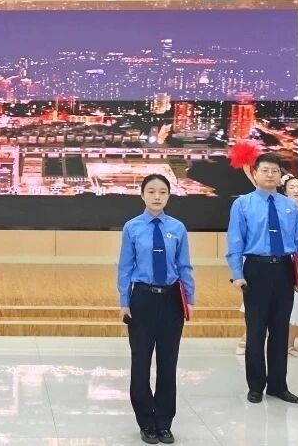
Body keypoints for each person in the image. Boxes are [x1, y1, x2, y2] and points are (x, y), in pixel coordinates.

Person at [118, 174, 194, 445]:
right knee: (140, 363)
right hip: (142, 299)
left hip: (171, 300)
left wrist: (190, 299)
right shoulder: (132, 227)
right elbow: (125, 267)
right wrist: (124, 301)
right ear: (142, 195)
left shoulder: (178, 228)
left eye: (162, 191)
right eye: (151, 191)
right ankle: (146, 422)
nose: (157, 196)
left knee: (167, 363)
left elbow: (184, 266)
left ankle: (164, 422)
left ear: (169, 195)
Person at [225, 152, 298, 404]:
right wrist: (237, 274)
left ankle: (278, 386)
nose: (270, 175)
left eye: (275, 171)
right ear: (255, 173)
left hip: (284, 269)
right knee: (256, 330)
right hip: (256, 270)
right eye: (265, 170)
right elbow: (235, 240)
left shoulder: (290, 206)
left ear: (281, 175)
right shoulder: (243, 204)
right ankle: (255, 386)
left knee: (280, 331)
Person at [235, 174, 298, 358]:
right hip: (277, 257)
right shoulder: (276, 206)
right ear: (284, 189)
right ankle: (247, 339)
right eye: (292, 187)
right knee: (260, 305)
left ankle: (289, 344)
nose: (296, 190)